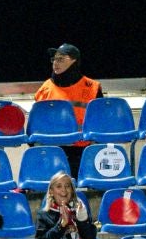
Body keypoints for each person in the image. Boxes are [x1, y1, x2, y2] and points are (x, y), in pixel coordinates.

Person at [34, 45, 102, 173]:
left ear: (74, 61)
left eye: (61, 59)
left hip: (83, 150)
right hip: (52, 150)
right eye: (54, 59)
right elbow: (36, 124)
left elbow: (100, 122)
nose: (55, 63)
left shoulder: (92, 87)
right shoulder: (44, 88)